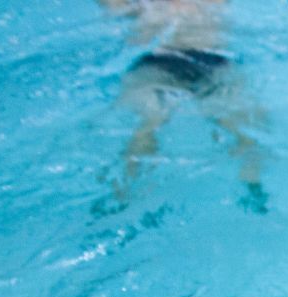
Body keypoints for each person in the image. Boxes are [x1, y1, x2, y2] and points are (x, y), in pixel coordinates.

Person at [102, 0, 265, 210]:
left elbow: (116, 13)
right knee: (245, 130)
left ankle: (123, 197)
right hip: (210, 62)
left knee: (147, 127)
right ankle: (254, 191)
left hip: (160, 62)